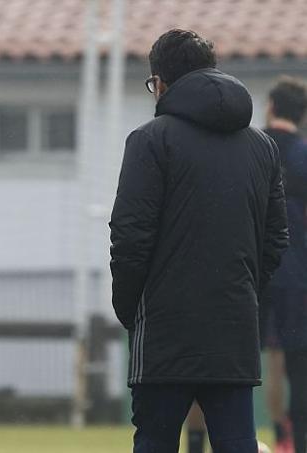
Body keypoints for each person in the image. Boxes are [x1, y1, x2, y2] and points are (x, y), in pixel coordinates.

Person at [109, 29, 289, 453]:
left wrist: (129, 306)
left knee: (154, 439)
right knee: (237, 440)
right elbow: (276, 238)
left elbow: (130, 236)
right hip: (234, 322)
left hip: (163, 326)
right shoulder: (262, 147)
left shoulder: (150, 141)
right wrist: (245, 292)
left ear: (163, 82)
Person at [262, 75, 307, 453]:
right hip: (299, 276)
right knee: (297, 361)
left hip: (253, 273)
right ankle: (295, 437)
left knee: (259, 359)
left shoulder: (251, 150)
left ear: (270, 106)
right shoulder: (304, 155)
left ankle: (278, 434)